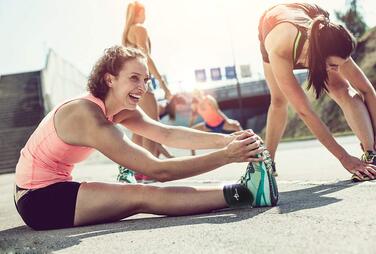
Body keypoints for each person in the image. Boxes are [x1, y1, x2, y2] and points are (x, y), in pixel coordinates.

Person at [13, 45, 279, 230]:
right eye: (134, 78)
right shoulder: (86, 115)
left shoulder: (119, 110)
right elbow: (157, 170)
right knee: (141, 195)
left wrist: (228, 139)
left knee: (140, 192)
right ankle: (245, 193)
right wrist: (227, 156)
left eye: (146, 79)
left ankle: (247, 192)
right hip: (37, 200)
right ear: (109, 79)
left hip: (56, 187)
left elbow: (166, 132)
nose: (143, 87)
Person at [258, 3, 376, 181]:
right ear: (319, 56)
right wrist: (344, 158)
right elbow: (305, 111)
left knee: (341, 88)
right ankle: (268, 161)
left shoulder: (329, 43)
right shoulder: (281, 47)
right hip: (271, 26)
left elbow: (367, 90)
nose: (336, 70)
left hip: (312, 16)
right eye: (333, 65)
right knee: (279, 101)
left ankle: (371, 155)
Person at [117, 1, 185, 183]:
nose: (146, 15)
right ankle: (148, 170)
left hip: (129, 84)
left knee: (138, 128)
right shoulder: (139, 28)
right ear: (139, 13)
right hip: (142, 82)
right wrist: (163, 84)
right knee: (151, 126)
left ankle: (135, 170)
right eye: (144, 12)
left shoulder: (126, 35)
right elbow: (146, 57)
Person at [189, 89, 243, 155]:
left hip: (221, 123)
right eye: (195, 94)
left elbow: (217, 110)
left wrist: (227, 120)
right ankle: (193, 156)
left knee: (236, 125)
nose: (197, 95)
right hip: (208, 126)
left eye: (198, 92)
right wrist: (189, 127)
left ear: (201, 92)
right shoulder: (195, 105)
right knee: (191, 132)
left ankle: (247, 144)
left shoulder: (208, 99)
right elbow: (193, 116)